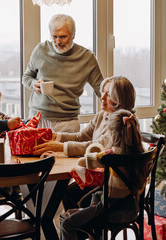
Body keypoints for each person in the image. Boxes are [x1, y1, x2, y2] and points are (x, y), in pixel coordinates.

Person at [32, 76, 137, 211]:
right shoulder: (102, 115)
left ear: (120, 99)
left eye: (108, 94)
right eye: (103, 92)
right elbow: (82, 136)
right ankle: (82, 229)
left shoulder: (121, 123)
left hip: (110, 184)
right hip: (99, 176)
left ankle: (84, 229)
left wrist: (61, 147)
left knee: (67, 193)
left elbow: (97, 147)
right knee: (65, 192)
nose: (102, 97)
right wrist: (56, 136)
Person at [60, 109, 146, 240]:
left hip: (112, 211)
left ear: (112, 133)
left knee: (67, 223)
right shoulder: (142, 153)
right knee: (96, 195)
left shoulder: (110, 155)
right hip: (133, 208)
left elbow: (83, 161)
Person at [22, 14, 104, 133]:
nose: (58, 42)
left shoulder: (86, 57)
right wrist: (34, 84)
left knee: (67, 152)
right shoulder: (40, 50)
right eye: (54, 37)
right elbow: (26, 77)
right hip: (38, 118)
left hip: (68, 122)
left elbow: (101, 89)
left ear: (73, 35)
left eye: (63, 37)